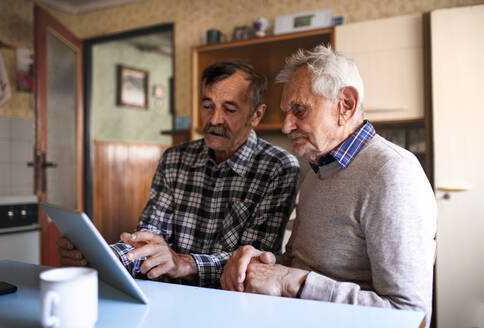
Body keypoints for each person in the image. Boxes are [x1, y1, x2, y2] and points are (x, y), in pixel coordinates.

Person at [221, 45, 437, 326]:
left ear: (345, 104)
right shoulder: (320, 167)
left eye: (299, 110)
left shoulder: (392, 173)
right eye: (286, 112)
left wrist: (293, 283)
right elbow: (302, 263)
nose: (286, 126)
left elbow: (412, 315)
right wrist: (264, 263)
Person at [58, 60, 300, 288]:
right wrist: (101, 257)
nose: (214, 119)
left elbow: (252, 264)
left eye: (230, 109)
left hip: (231, 301)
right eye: (207, 106)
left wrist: (183, 263)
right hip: (165, 294)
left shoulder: (279, 168)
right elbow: (149, 238)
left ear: (256, 115)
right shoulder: (174, 158)